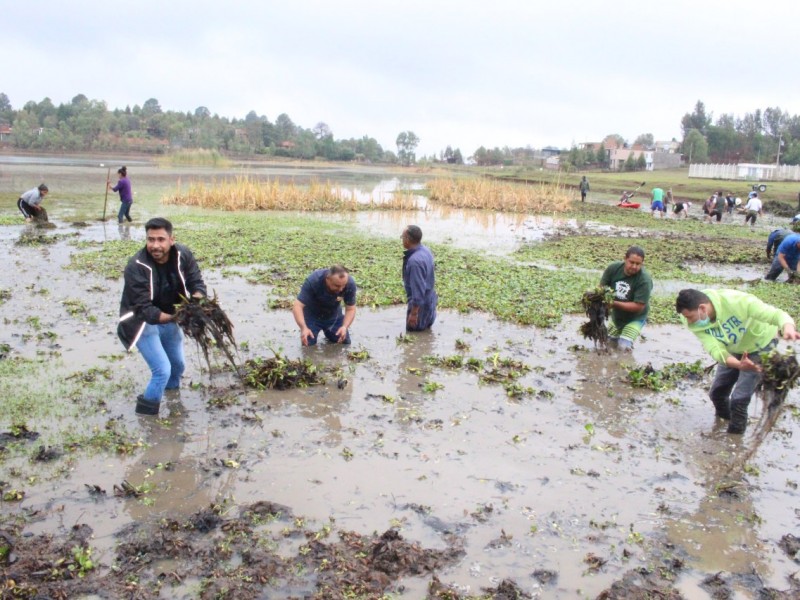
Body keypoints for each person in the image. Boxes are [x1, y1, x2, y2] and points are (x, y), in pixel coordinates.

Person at [675, 288, 800, 434]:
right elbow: (715, 349)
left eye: (690, 317)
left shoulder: (738, 301)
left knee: (739, 399)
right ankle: (724, 422)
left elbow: (775, 314)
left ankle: (735, 438)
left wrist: (788, 327)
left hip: (760, 345)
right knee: (717, 393)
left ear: (702, 308)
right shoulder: (690, 321)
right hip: (733, 348)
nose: (689, 321)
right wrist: (738, 364)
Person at [117, 217, 206, 415]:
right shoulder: (136, 266)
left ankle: (172, 400)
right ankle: (147, 417)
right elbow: (144, 309)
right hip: (141, 321)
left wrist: (197, 299)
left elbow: (196, 282)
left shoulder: (183, 255)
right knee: (162, 371)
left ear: (171, 240)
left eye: (160, 239)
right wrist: (179, 315)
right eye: (151, 240)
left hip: (170, 315)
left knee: (177, 365)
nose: (155, 245)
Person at [599, 246, 653, 351]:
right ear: (625, 259)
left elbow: (638, 307)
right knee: (608, 344)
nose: (634, 266)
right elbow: (601, 289)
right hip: (617, 317)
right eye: (631, 262)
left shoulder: (644, 280)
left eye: (638, 264)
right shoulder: (613, 269)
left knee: (623, 348)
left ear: (642, 263)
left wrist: (613, 303)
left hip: (635, 318)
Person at [292, 265, 356, 346]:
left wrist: (344, 327)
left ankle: (329, 333)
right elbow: (297, 306)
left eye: (343, 285)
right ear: (327, 279)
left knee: (344, 343)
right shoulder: (314, 280)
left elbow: (350, 309)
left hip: (333, 314)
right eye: (337, 285)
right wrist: (303, 328)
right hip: (312, 314)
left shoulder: (349, 283)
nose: (341, 289)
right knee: (307, 345)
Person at [401, 225, 438, 331]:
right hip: (429, 301)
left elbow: (418, 291)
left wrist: (414, 314)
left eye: (402, 237)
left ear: (407, 239)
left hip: (420, 308)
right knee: (425, 335)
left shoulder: (415, 262)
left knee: (413, 337)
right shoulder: (426, 250)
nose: (402, 240)